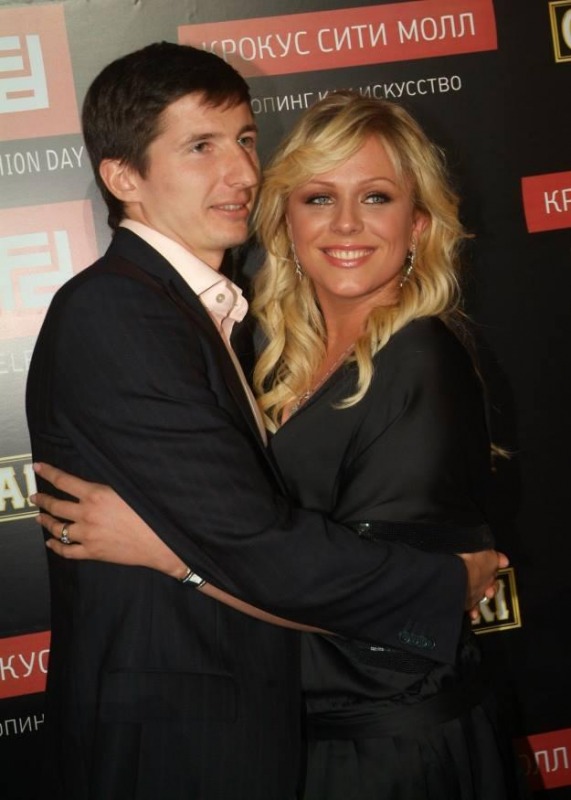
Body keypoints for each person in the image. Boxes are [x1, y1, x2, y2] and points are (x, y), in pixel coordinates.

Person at [27, 45, 504, 800]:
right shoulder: (132, 312)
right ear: (123, 178)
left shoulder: (414, 357)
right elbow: (251, 541)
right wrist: (443, 589)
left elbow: (262, 552)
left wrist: (166, 550)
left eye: (246, 140)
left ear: (419, 223)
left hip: (380, 742)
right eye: (201, 146)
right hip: (188, 739)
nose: (242, 172)